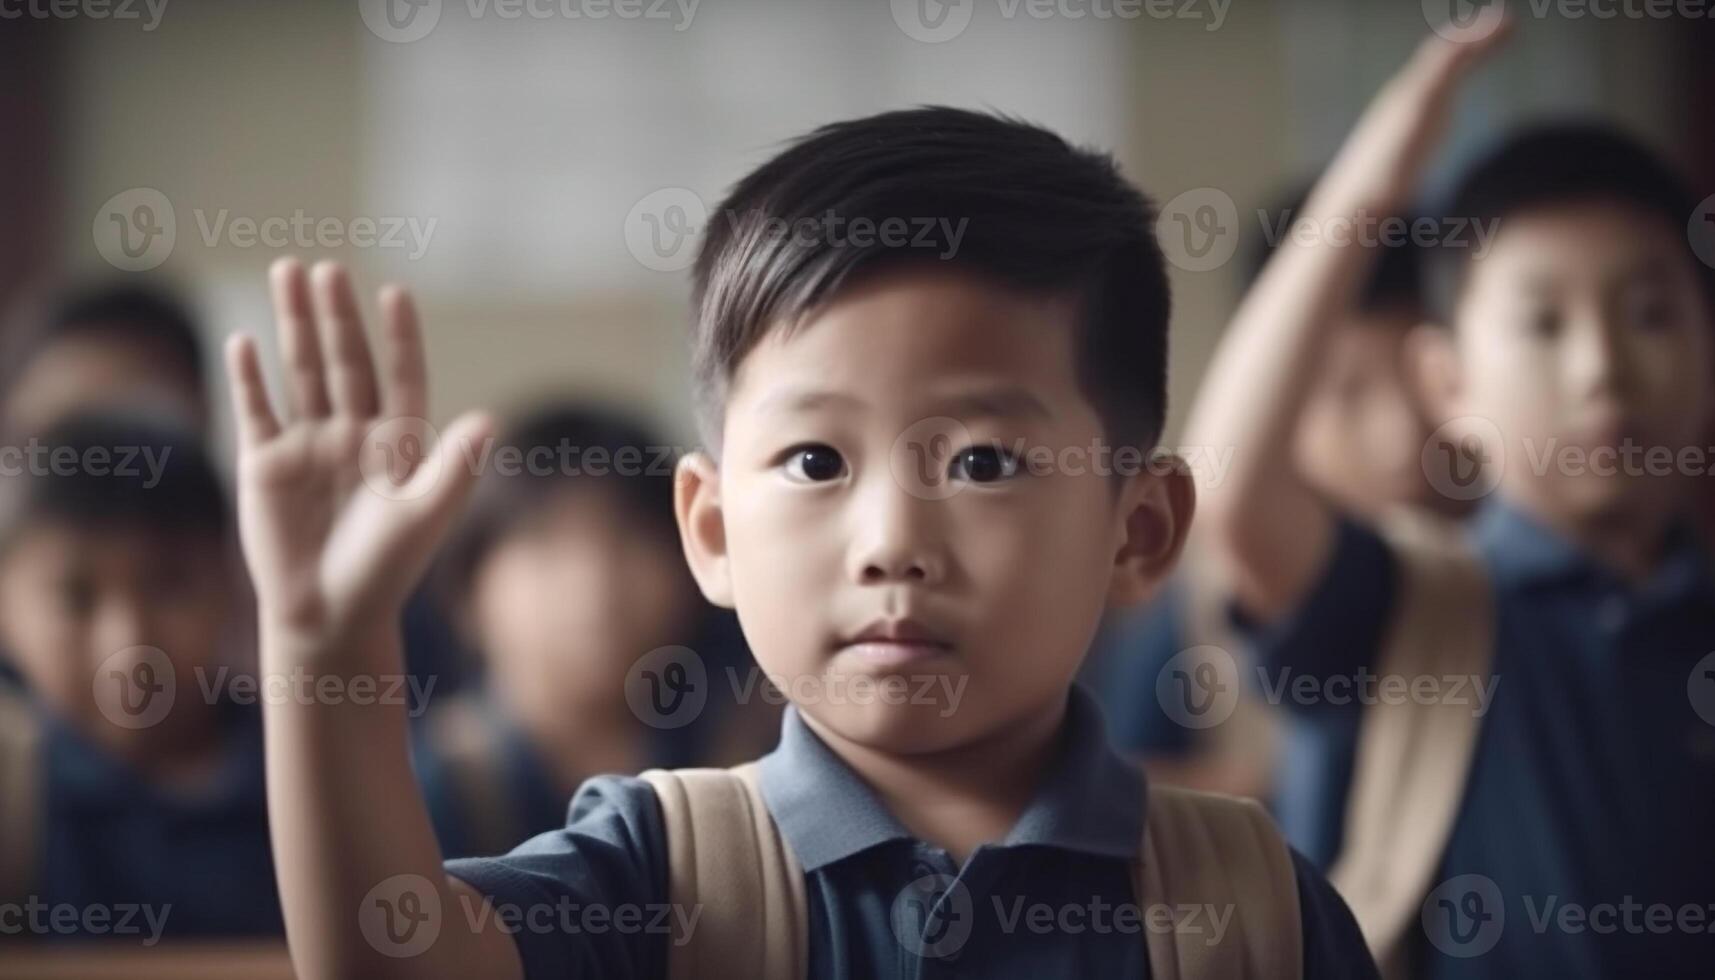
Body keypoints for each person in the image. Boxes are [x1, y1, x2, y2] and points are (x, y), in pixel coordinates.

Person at [221, 107, 1384, 976]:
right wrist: (324, 644)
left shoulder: (1256, 905)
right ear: (713, 529)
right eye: (817, 462)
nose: (890, 543)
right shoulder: (662, 867)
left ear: (1137, 530)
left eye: (982, 461)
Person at [1187, 21, 1715, 980]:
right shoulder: (1407, 606)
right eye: (1541, 322)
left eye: (1649, 313)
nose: (1602, 368)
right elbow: (1226, 490)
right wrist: (1370, 189)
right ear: (1446, 385)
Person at [414, 402, 772, 858]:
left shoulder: (754, 758)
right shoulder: (423, 792)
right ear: (468, 589)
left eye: (630, 537)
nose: (596, 582)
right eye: (545, 541)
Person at [0, 413, 281, 939]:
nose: (127, 646)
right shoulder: (13, 797)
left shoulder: (313, 774)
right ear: (5, 612)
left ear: (234, 586)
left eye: (170, 585)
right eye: (75, 598)